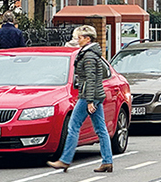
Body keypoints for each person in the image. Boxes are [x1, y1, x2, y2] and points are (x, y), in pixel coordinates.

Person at [48, 28, 113, 173]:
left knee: (73, 126)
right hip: (95, 95)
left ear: (88, 39)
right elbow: (99, 74)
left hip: (88, 96)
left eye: (80, 37)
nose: (78, 40)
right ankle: (107, 161)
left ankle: (65, 160)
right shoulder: (93, 53)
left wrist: (89, 101)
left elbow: (90, 79)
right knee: (101, 129)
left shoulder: (89, 56)